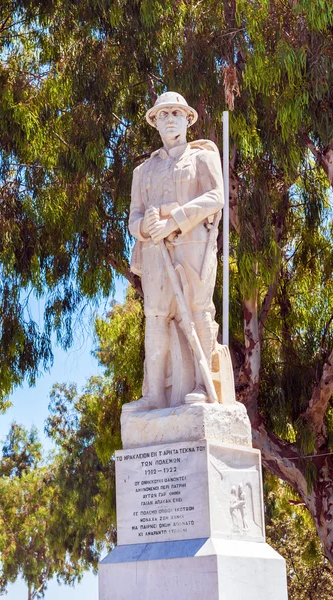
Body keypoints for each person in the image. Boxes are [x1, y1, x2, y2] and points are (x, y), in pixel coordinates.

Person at [125, 91, 224, 412]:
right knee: (155, 315)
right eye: (163, 115)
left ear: (187, 119)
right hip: (155, 250)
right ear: (154, 122)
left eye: (175, 113)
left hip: (193, 243)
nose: (169, 119)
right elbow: (133, 218)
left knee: (197, 309)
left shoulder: (203, 156)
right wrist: (146, 226)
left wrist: (176, 220)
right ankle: (154, 395)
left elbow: (216, 197)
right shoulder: (143, 171)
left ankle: (200, 385)